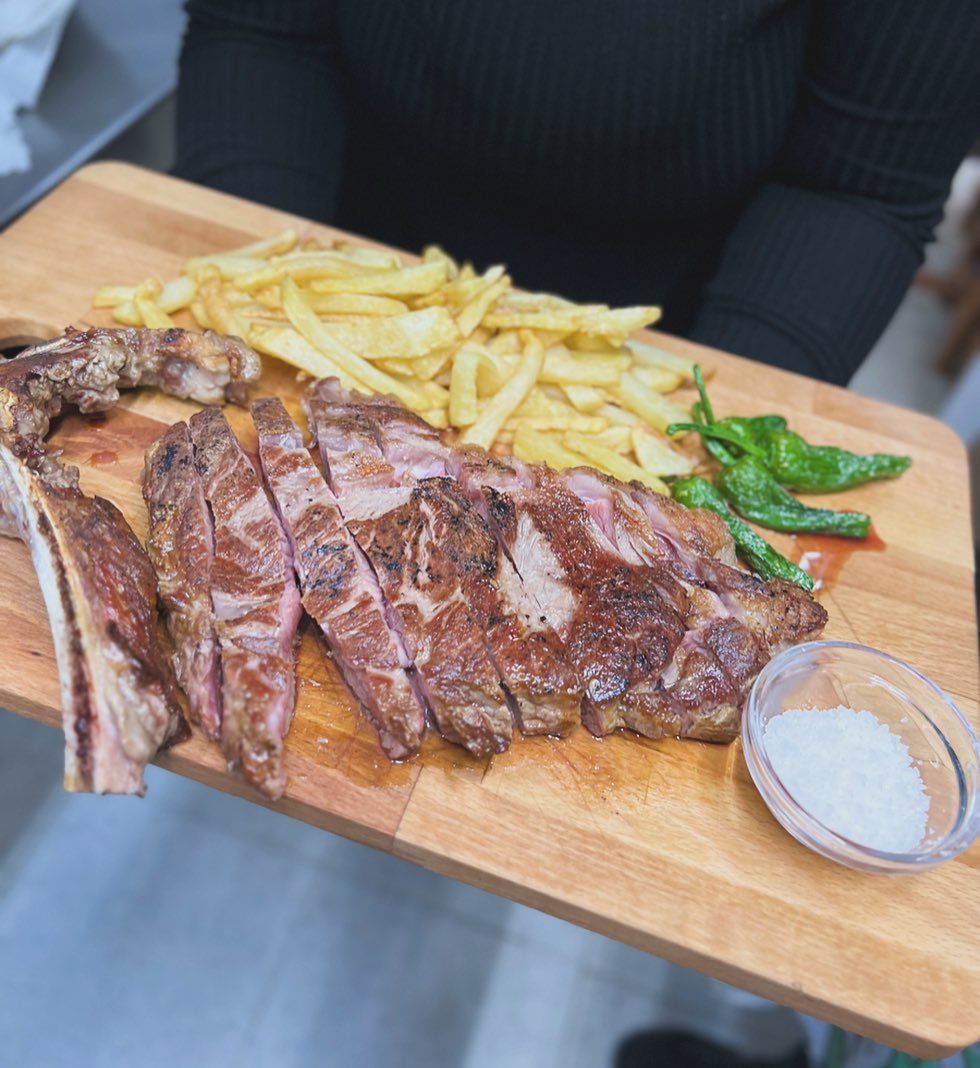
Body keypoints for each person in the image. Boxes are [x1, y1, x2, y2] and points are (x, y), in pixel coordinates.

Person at [175, 1, 980, 389]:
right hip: (319, 262)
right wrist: (255, 314)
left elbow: (855, 186)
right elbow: (262, 30)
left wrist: (704, 427)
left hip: (668, 342)